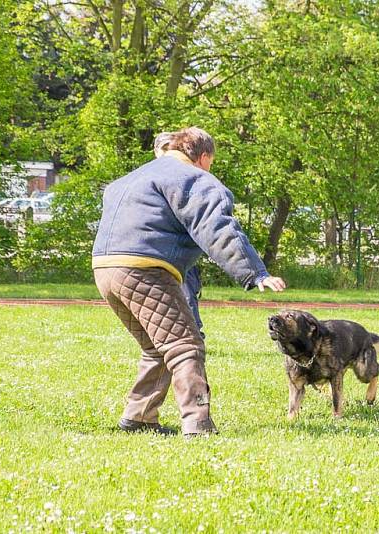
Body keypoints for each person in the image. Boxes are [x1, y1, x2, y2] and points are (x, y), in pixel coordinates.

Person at [93, 126, 286, 438]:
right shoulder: (192, 178)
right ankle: (198, 424)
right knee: (185, 346)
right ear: (203, 156)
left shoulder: (132, 177)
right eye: (211, 162)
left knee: (158, 346)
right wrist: (255, 273)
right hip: (145, 268)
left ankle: (139, 417)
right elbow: (218, 228)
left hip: (105, 267)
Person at [154, 131, 205, 338]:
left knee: (186, 293)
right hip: (158, 253)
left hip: (179, 253)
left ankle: (194, 332)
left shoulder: (185, 178)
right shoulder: (153, 179)